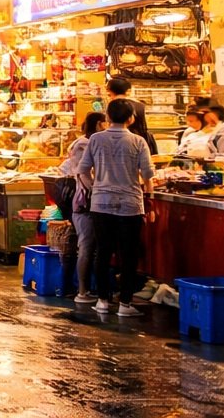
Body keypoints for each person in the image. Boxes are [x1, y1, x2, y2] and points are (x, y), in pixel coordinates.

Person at [78, 98, 156, 317]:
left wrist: (96, 187)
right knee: (128, 254)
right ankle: (125, 304)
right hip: (130, 204)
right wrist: (149, 196)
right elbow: (148, 174)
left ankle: (102, 300)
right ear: (131, 118)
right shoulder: (138, 141)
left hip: (101, 204)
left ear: (108, 117)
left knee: (102, 252)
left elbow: (82, 170)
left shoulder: (95, 139)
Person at [59, 111, 108, 306]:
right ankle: (82, 290)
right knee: (86, 246)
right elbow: (83, 173)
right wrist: (96, 190)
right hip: (85, 202)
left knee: (93, 247)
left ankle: (93, 289)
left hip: (93, 201)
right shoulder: (83, 145)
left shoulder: (91, 142)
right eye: (104, 124)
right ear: (98, 125)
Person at [105, 77, 157, 153]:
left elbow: (109, 125)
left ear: (110, 91)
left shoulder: (112, 106)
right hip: (140, 142)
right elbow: (144, 126)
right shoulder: (140, 105)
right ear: (127, 90)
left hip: (119, 144)